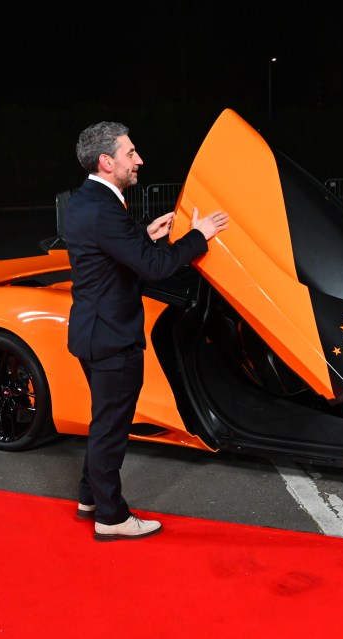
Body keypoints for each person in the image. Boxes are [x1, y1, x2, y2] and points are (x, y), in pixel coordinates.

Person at [64, 121, 229, 541]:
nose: (139, 160)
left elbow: (111, 258)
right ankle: (112, 517)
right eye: (130, 153)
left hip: (92, 331)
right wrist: (199, 236)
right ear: (107, 161)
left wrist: (142, 236)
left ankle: (90, 497)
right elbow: (154, 268)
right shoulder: (104, 206)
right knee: (111, 428)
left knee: (104, 420)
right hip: (111, 337)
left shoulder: (85, 201)